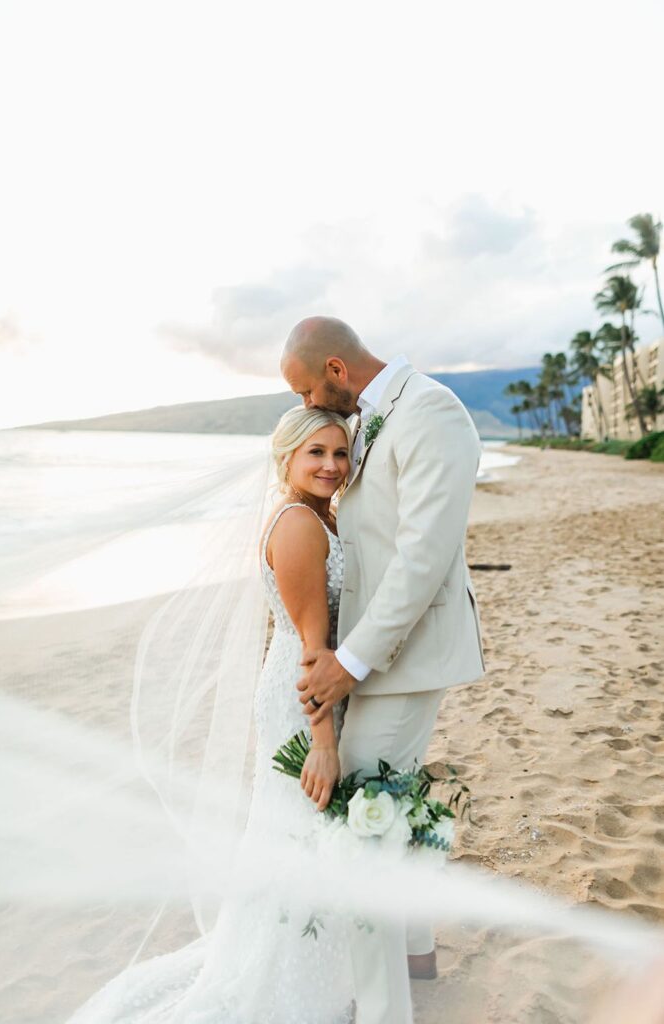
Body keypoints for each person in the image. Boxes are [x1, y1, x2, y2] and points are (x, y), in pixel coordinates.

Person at [65, 405, 373, 1023]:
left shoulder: (320, 516)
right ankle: (282, 980)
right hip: (300, 699)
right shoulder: (297, 526)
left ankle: (303, 963)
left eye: (339, 454)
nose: (331, 466)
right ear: (285, 457)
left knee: (296, 836)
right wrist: (323, 743)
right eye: (316, 453)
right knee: (300, 833)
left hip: (304, 689)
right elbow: (314, 647)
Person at [281, 315, 486, 1009]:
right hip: (373, 654)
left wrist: (351, 661)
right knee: (385, 811)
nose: (309, 407)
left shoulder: (430, 411)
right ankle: (416, 952)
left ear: (336, 370)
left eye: (309, 390)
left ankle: (382, 1011)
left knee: (358, 829)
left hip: (404, 654)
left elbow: (423, 557)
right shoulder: (371, 417)